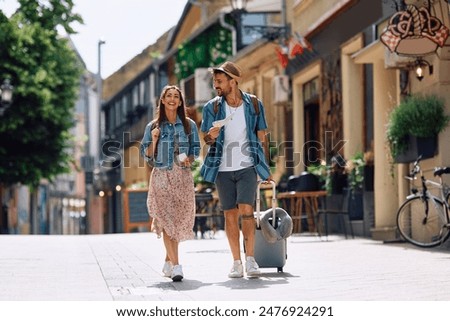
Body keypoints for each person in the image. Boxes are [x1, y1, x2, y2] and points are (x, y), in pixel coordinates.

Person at [200, 61, 273, 278]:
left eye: (220, 81)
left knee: (247, 212)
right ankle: (236, 262)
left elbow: (262, 136)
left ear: (233, 81)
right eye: (214, 81)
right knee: (230, 214)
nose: (216, 85)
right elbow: (206, 138)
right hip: (222, 169)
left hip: (247, 166)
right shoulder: (211, 107)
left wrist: (263, 165)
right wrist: (210, 137)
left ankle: (251, 260)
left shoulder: (254, 104)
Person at [140, 85, 200, 282]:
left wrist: (189, 159)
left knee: (178, 220)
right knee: (167, 221)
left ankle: (168, 261)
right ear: (163, 100)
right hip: (162, 176)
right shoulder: (153, 127)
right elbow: (147, 156)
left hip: (182, 177)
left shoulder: (189, 124)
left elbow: (196, 150)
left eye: (176, 96)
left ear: (180, 102)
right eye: (169, 96)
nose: (173, 99)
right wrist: (155, 140)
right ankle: (176, 266)